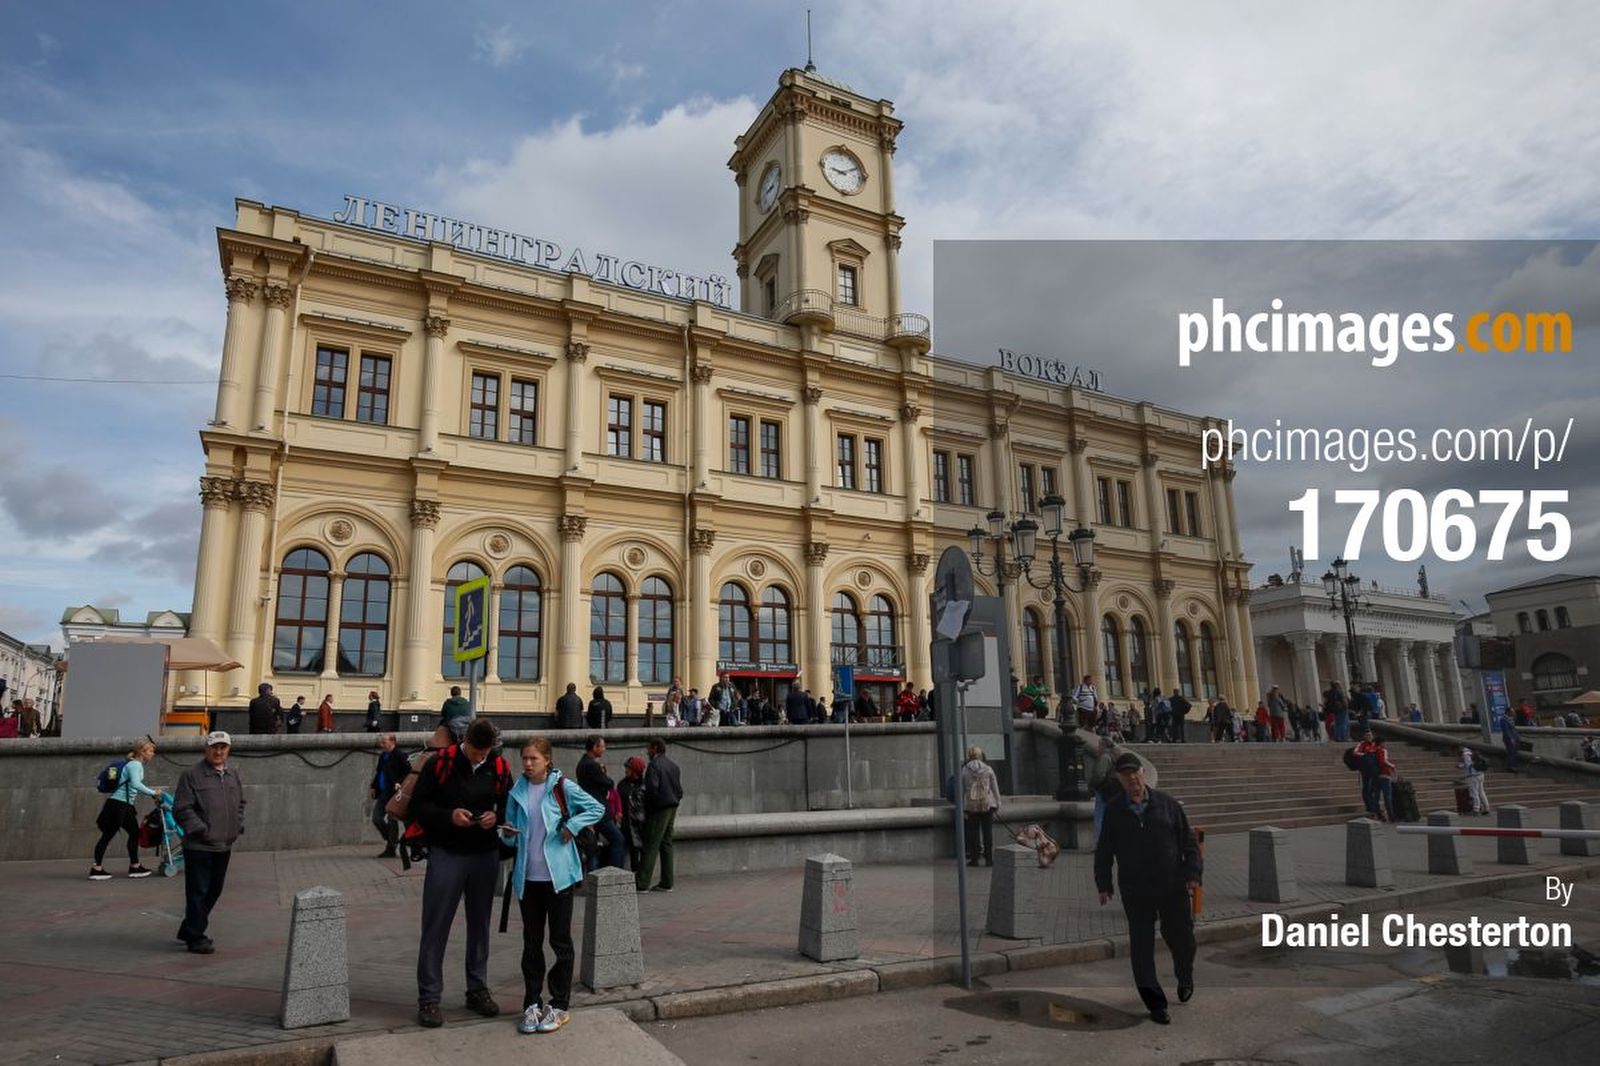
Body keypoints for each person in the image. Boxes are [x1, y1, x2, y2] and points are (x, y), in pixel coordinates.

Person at [410, 718, 513, 1028]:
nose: (480, 758)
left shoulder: (499, 766)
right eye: (476, 752)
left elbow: (510, 807)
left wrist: (496, 817)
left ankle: (477, 989)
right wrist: (448, 816)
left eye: (485, 753)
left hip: (484, 855)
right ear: (464, 741)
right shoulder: (440, 763)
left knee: (480, 925)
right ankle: (429, 998)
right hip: (447, 854)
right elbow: (419, 807)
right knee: (436, 925)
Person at [504, 736, 604, 1035]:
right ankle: (532, 1003)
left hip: (558, 877)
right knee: (531, 943)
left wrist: (572, 827)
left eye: (534, 758)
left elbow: (596, 808)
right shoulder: (517, 790)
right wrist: (508, 834)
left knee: (560, 941)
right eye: (524, 758)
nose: (528, 763)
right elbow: (510, 830)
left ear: (548, 760)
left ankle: (559, 1004)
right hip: (528, 877)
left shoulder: (562, 787)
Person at [1095, 752, 1201, 1025]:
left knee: (1183, 940)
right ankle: (1155, 1004)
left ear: (1143, 773)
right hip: (1136, 889)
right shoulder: (1115, 811)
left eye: (1135, 773)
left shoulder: (1167, 805)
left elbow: (1189, 843)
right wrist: (1103, 883)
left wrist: (1192, 873)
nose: (1132, 779)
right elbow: (1104, 850)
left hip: (1172, 886)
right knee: (1141, 947)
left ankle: (1185, 974)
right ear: (1119, 778)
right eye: (1125, 775)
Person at [172, 732, 246, 954]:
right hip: (199, 846)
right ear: (206, 749)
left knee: (214, 889)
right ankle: (196, 936)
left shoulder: (233, 774)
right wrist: (201, 830)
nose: (219, 751)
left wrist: (236, 824)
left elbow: (240, 803)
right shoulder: (192, 775)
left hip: (224, 843)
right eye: (214, 747)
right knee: (198, 891)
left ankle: (189, 927)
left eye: (223, 747)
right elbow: (182, 808)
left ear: (228, 750)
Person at [89, 737, 163, 880]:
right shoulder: (135, 765)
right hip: (119, 805)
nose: (153, 753)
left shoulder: (132, 764)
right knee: (110, 836)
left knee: (133, 833)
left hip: (121, 805)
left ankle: (134, 866)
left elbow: (132, 785)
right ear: (142, 752)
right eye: (150, 750)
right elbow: (135, 784)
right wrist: (153, 792)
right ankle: (97, 868)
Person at [635, 736, 683, 892]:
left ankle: (642, 882)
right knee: (666, 842)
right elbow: (679, 790)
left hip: (659, 808)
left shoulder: (654, 766)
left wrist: (649, 808)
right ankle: (667, 881)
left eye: (649, 748)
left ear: (655, 748)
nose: (648, 751)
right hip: (672, 806)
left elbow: (652, 789)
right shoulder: (673, 766)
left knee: (651, 843)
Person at [575, 735, 625, 869]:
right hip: (599, 810)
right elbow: (608, 782)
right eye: (602, 746)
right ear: (594, 747)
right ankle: (615, 872)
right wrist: (606, 779)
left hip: (589, 808)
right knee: (618, 839)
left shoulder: (582, 763)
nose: (604, 749)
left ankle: (593, 876)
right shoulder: (592, 765)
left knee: (593, 845)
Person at [370, 733, 411, 858]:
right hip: (383, 793)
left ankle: (391, 848)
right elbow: (379, 772)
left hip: (394, 794)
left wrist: (399, 782)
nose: (382, 745)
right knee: (376, 818)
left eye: (384, 742)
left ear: (392, 741)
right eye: (381, 742)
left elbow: (408, 772)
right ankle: (391, 839)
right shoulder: (383, 756)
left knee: (392, 820)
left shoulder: (399, 755)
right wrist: (373, 786)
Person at [960, 746, 1001, 866]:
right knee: (987, 832)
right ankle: (989, 859)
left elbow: (962, 790)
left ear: (969, 756)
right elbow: (994, 788)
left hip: (971, 806)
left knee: (973, 832)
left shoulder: (964, 770)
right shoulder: (988, 769)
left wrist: (963, 807)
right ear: (980, 755)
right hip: (987, 805)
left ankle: (975, 859)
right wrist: (998, 803)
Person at [616, 755, 648, 869]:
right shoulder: (622, 785)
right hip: (625, 825)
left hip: (639, 825)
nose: (626, 770)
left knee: (639, 853)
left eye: (628, 768)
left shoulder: (645, 785)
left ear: (635, 770)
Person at [1459, 746, 1490, 815]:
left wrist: (1461, 766)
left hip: (1473, 776)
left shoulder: (1465, 755)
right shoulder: (1471, 752)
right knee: (1481, 792)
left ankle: (1476, 809)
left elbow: (1468, 765)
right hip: (1481, 774)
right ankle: (1486, 808)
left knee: (1474, 793)